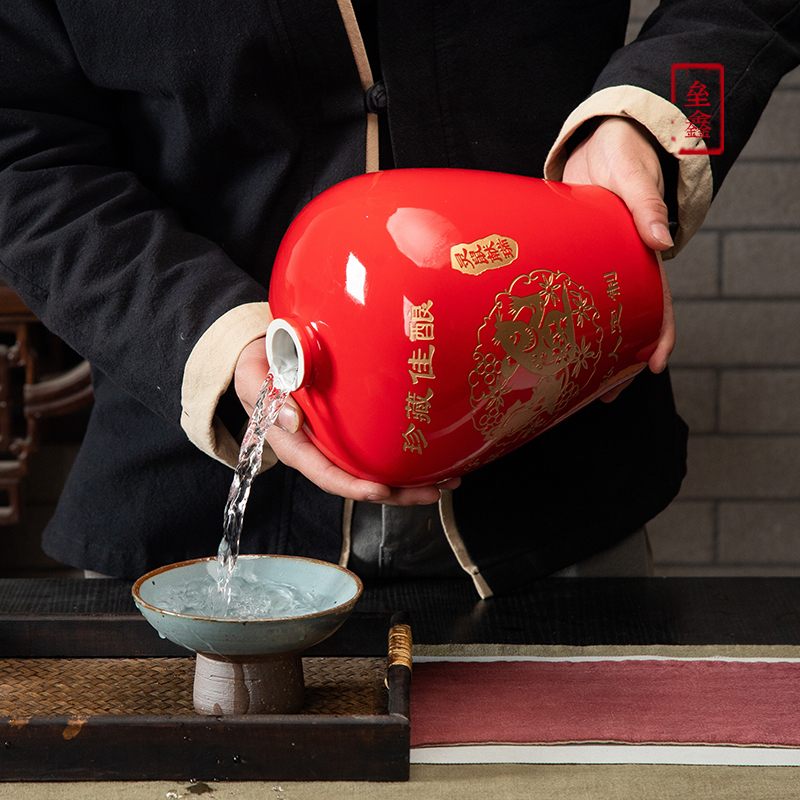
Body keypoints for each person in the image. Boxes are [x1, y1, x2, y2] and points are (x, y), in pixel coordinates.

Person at [0, 1, 797, 596]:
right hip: (181, 534)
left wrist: (653, 123)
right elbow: (20, 144)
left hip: (567, 514)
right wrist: (205, 336)